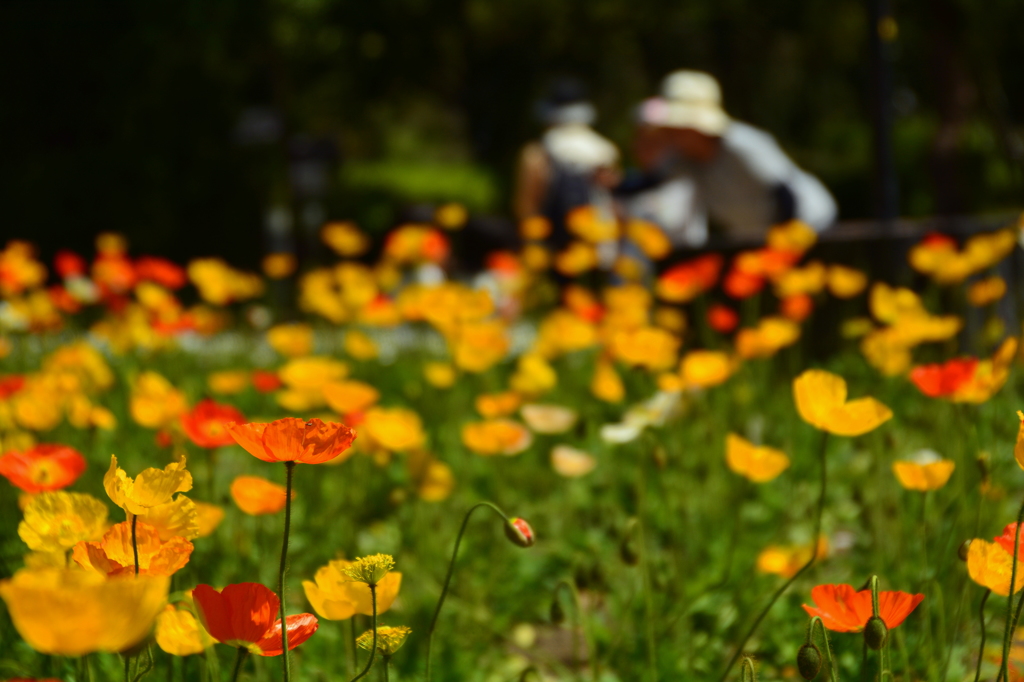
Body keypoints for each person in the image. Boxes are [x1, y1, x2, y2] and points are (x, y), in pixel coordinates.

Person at [620, 70, 837, 246]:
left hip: (808, 225)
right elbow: (651, 182)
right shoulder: (683, 158)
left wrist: (785, 242)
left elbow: (784, 192)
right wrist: (611, 184)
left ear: (696, 126)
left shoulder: (741, 143)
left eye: (676, 127)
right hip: (760, 236)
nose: (671, 134)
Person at [513, 78, 621, 252]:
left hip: (554, 248)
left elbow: (526, 207)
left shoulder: (537, 153)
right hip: (599, 248)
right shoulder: (606, 151)